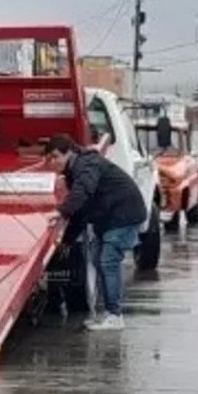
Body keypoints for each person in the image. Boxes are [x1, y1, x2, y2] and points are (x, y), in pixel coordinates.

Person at [44, 134, 147, 331]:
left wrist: (61, 211)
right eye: (49, 158)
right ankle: (109, 313)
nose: (52, 162)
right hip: (110, 218)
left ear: (69, 152)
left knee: (108, 262)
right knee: (98, 259)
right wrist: (67, 240)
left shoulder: (86, 164)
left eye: (55, 156)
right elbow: (82, 210)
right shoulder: (75, 170)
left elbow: (83, 191)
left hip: (123, 215)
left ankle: (115, 316)